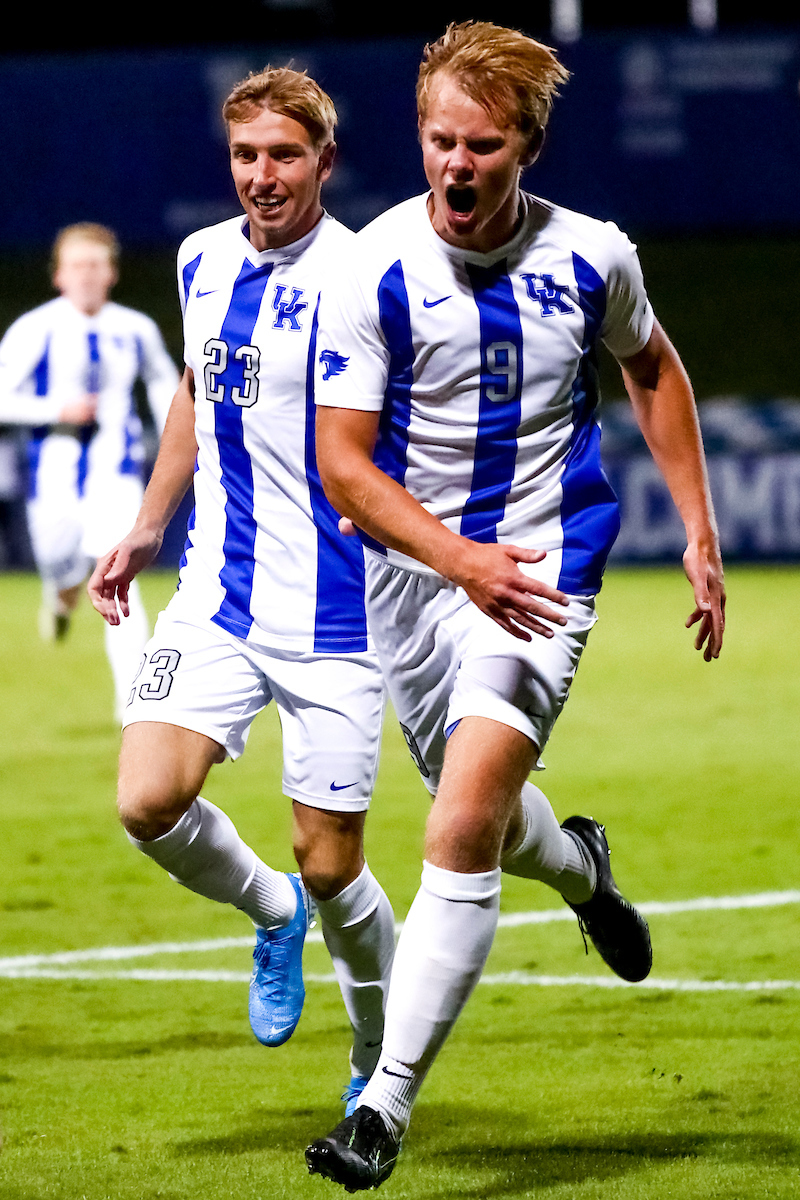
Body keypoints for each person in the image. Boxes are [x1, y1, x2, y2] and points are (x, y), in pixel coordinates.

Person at [304, 20, 725, 1191]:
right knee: (476, 810)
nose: (454, 164)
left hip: (538, 568)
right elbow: (343, 466)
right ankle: (583, 869)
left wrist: (695, 528)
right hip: (409, 568)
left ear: (527, 145)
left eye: (481, 144)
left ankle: (380, 1108)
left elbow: (650, 367)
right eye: (438, 138)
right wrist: (450, 559)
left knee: (457, 822)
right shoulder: (370, 267)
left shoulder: (593, 256)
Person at [88, 67, 395, 1108]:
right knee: (146, 799)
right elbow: (191, 388)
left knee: (333, 866)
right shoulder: (199, 260)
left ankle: (374, 1062)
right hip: (217, 592)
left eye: (282, 155)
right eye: (244, 156)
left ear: (323, 161)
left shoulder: (366, 279)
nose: (260, 177)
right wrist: (145, 522)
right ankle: (269, 914)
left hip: (338, 614)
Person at [0, 223, 179, 716]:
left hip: (116, 478)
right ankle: (59, 601)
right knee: (62, 569)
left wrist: (180, 432)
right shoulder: (35, 330)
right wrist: (56, 409)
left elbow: (167, 387)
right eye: (77, 266)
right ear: (59, 275)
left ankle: (135, 708)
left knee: (121, 580)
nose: (86, 276)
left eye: (95, 266)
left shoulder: (134, 329)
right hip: (52, 484)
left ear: (111, 274)